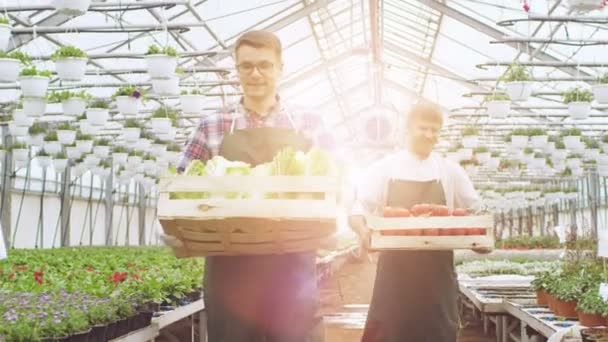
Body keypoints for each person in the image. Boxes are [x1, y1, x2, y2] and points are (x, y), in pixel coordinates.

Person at [175, 30, 332, 342]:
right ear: (236, 70)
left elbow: (335, 185)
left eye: (264, 65)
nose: (255, 74)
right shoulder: (212, 126)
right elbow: (180, 190)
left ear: (280, 68)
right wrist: (178, 229)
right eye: (246, 66)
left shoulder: (308, 123)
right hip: (231, 274)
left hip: (292, 272)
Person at [349, 102, 487, 342]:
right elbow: (358, 208)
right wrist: (362, 231)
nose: (429, 135)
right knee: (389, 334)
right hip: (395, 274)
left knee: (437, 334)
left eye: (435, 130)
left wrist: (481, 239)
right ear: (407, 129)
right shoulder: (385, 168)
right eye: (423, 128)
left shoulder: (449, 170)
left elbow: (477, 210)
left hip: (437, 275)